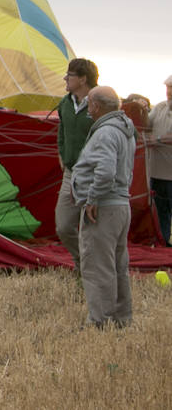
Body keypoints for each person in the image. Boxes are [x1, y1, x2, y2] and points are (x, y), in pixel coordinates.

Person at [70, 85, 136, 327]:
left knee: (97, 265)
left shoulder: (105, 133)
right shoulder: (125, 129)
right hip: (120, 205)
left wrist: (92, 199)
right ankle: (121, 319)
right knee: (118, 266)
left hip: (104, 208)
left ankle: (99, 322)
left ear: (96, 106)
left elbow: (106, 171)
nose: (88, 109)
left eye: (89, 104)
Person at [54, 57, 98, 275]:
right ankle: (81, 260)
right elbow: (61, 130)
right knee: (63, 226)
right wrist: (62, 153)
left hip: (94, 175)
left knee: (91, 228)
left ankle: (88, 270)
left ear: (82, 79)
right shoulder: (65, 103)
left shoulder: (100, 102)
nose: (65, 79)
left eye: (70, 75)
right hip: (71, 173)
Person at [148, 75, 172, 246]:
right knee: (161, 213)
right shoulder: (159, 108)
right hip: (157, 172)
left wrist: (156, 140)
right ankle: (165, 247)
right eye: (168, 88)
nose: (169, 92)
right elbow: (144, 126)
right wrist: (138, 109)